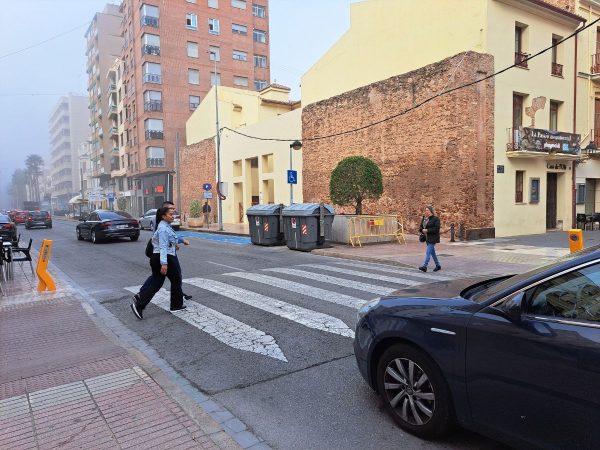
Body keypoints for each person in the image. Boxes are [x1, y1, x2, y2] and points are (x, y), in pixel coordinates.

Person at [131, 206, 190, 319]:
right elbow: (163, 246)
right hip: (165, 257)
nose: (173, 216)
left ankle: (140, 302)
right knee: (176, 280)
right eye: (170, 214)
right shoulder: (163, 228)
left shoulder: (165, 226)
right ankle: (175, 305)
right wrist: (164, 263)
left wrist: (182, 241)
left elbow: (173, 238)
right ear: (163, 216)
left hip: (159, 257)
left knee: (157, 282)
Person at [144, 200, 192, 300]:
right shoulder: (161, 225)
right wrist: (164, 263)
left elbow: (170, 238)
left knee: (174, 278)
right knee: (159, 279)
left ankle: (179, 295)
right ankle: (141, 297)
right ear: (165, 211)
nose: (173, 212)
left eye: (174, 209)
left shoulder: (166, 223)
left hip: (167, 253)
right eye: (171, 209)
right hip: (163, 254)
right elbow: (162, 243)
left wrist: (176, 243)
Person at [418, 205, 441, 272]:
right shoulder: (424, 218)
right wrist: (421, 230)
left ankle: (425, 266)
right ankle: (438, 265)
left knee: (428, 252)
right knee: (432, 253)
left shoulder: (435, 219)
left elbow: (436, 229)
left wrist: (428, 230)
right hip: (427, 238)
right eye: (425, 210)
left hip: (433, 238)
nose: (426, 211)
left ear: (431, 211)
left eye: (427, 210)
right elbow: (421, 227)